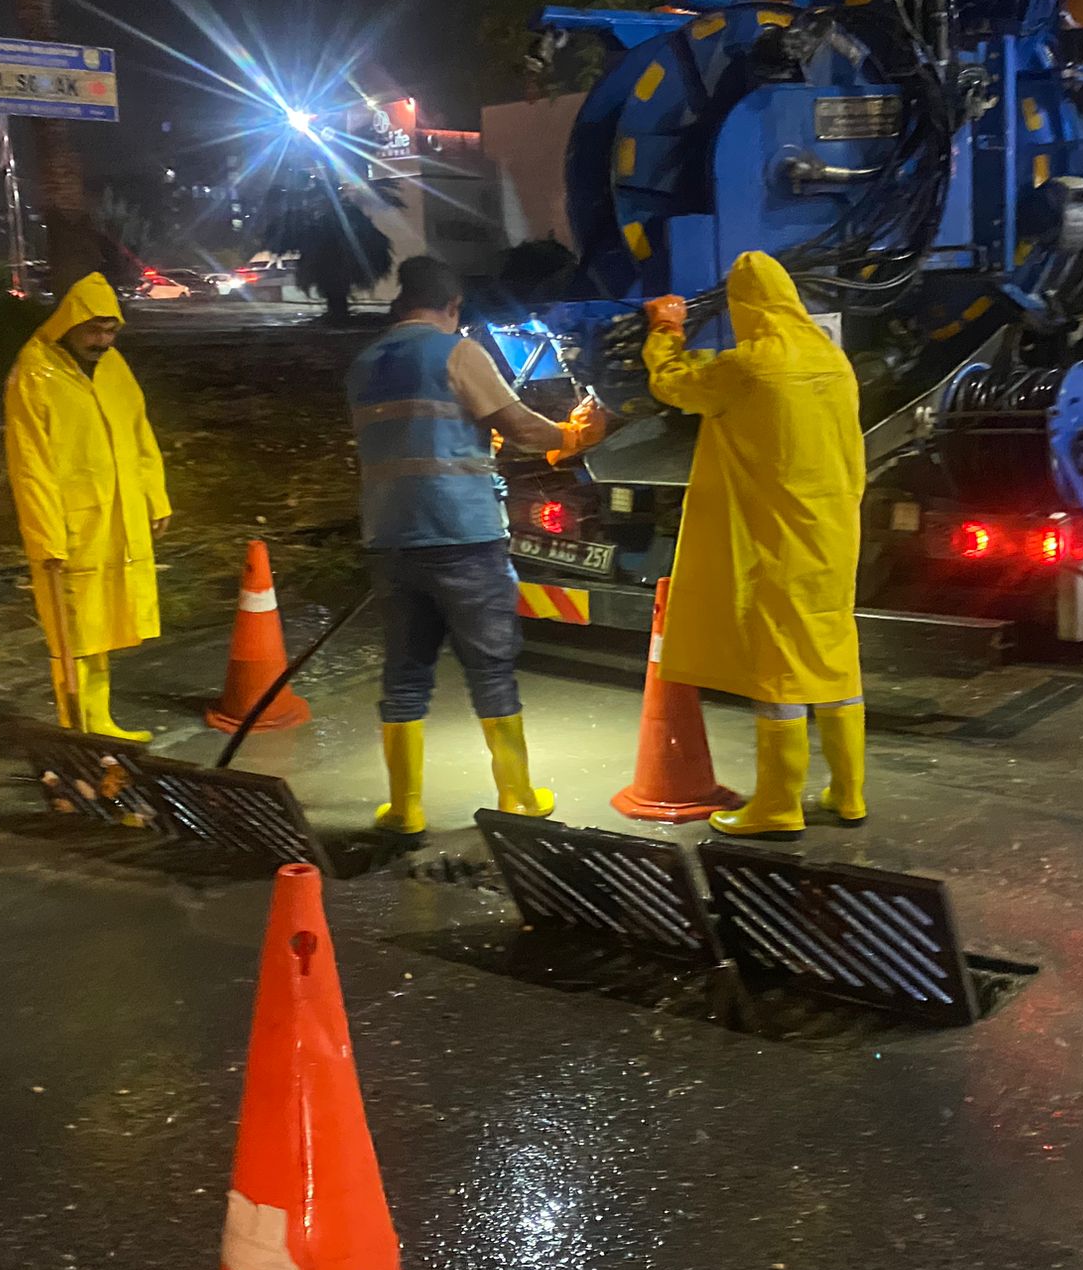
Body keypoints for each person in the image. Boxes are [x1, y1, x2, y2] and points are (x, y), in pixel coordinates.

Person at [347, 255, 607, 835]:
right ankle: (516, 797)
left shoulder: (365, 363)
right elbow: (521, 427)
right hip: (462, 535)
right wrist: (571, 435)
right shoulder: (457, 351)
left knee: (405, 674)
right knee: (490, 669)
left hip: (389, 538)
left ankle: (405, 809)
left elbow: (415, 433)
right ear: (454, 305)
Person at [643, 251, 866, 840]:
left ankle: (778, 803)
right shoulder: (833, 360)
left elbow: (675, 386)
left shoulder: (750, 365)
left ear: (744, 307)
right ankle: (848, 792)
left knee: (781, 670)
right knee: (834, 655)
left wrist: (665, 330)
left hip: (778, 544)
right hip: (835, 537)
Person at [4, 273, 171, 742]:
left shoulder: (115, 367)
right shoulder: (34, 371)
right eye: (95, 329)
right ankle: (77, 729)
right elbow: (29, 461)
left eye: (111, 330)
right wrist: (45, 534)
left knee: (102, 624)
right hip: (70, 524)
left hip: (115, 517)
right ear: (71, 322)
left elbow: (140, 434)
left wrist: (153, 497)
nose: (103, 340)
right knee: (72, 630)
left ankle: (100, 722)